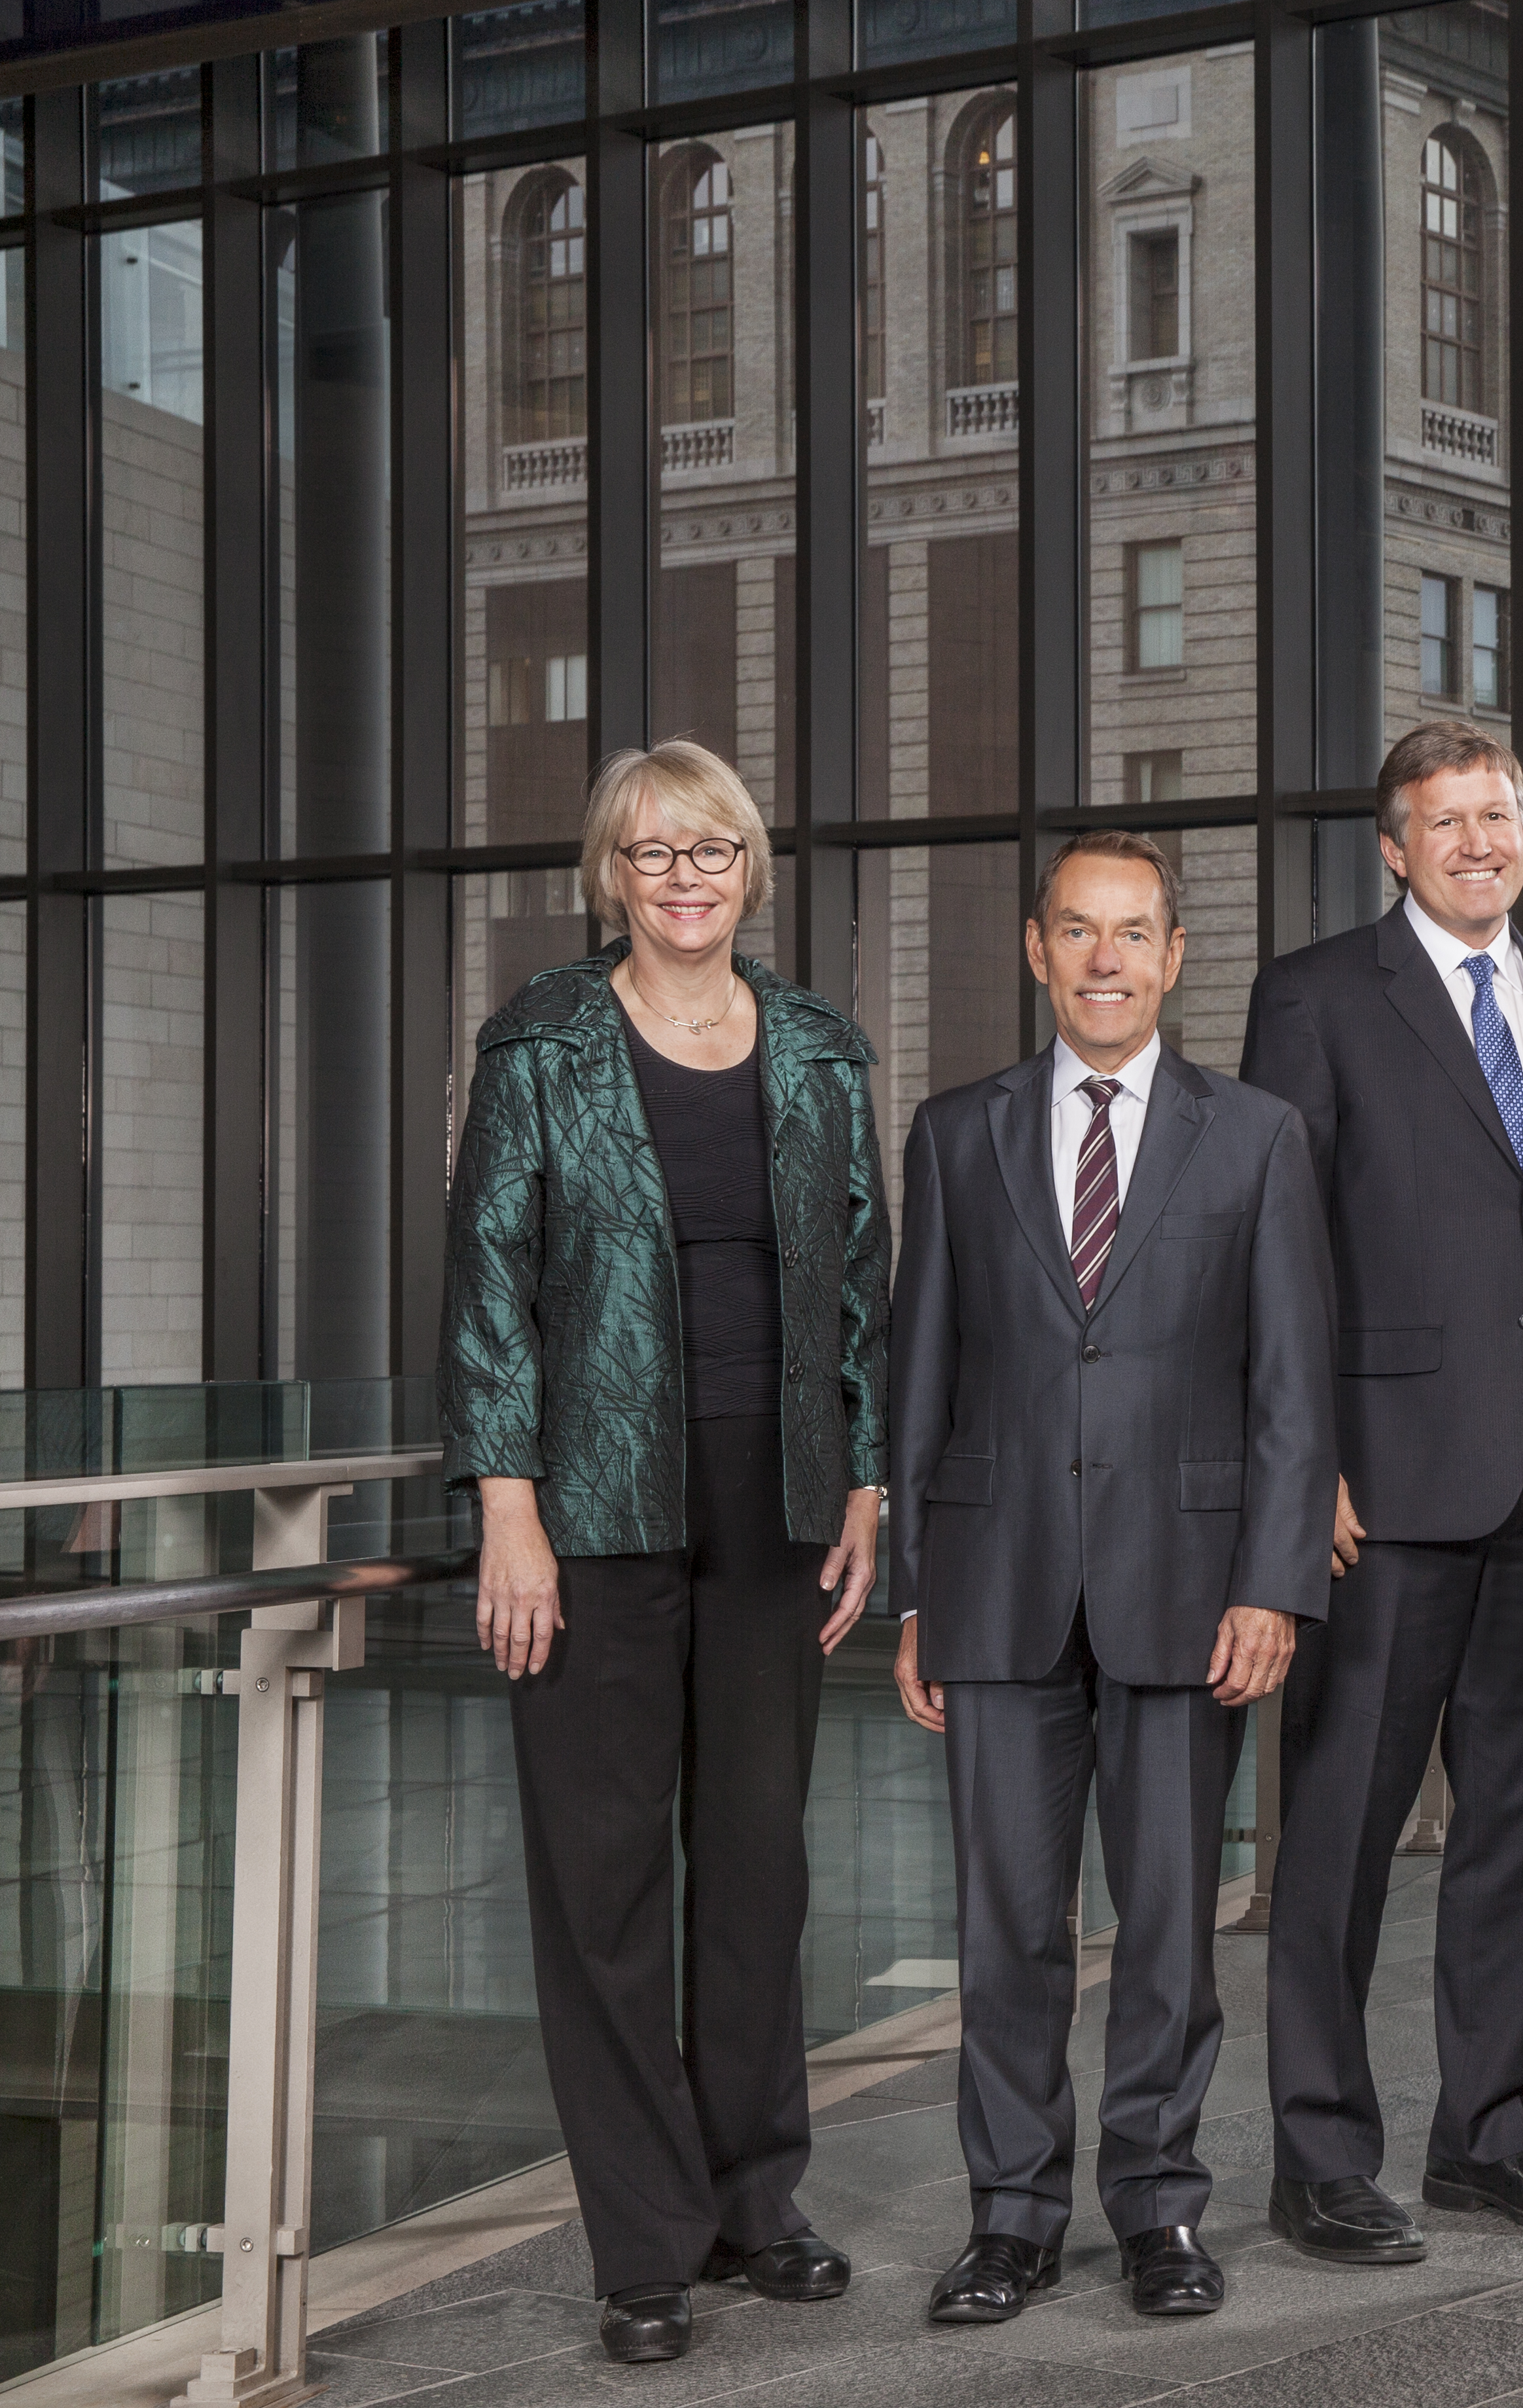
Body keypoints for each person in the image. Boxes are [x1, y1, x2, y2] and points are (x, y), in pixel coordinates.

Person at [443, 742, 889, 2366]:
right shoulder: (542, 1044)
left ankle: (756, 2199)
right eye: (652, 852)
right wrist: (509, 1504)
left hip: (775, 1499)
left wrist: (864, 1483)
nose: (685, 876)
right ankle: (644, 2239)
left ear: (748, 868)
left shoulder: (824, 1051)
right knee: (607, 1875)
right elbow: (489, 1277)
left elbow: (859, 1290)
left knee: (759, 1861)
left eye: (711, 849)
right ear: (610, 874)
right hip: (594, 1502)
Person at [887, 831, 1335, 2326]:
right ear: (1036, 950)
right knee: (1004, 1931)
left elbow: (1292, 1387)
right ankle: (1011, 2218)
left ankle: (1158, 2210)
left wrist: (1274, 1583)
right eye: (1077, 930)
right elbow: (920, 1378)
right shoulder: (958, 1134)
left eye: (1133, 932)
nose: (1104, 958)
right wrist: (915, 1596)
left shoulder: (1256, 1134)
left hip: (1189, 1588)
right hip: (1001, 1586)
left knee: (1165, 1927)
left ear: (1173, 955)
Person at [1242, 722, 1523, 2265]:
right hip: (1382, 1484)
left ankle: (1492, 2133)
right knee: (1337, 1834)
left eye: (1501, 814)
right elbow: (1278, 1244)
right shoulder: (1320, 996)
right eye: (1448, 820)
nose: (1481, 840)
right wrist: (1306, 1460)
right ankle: (1321, 2155)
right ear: (1394, 848)